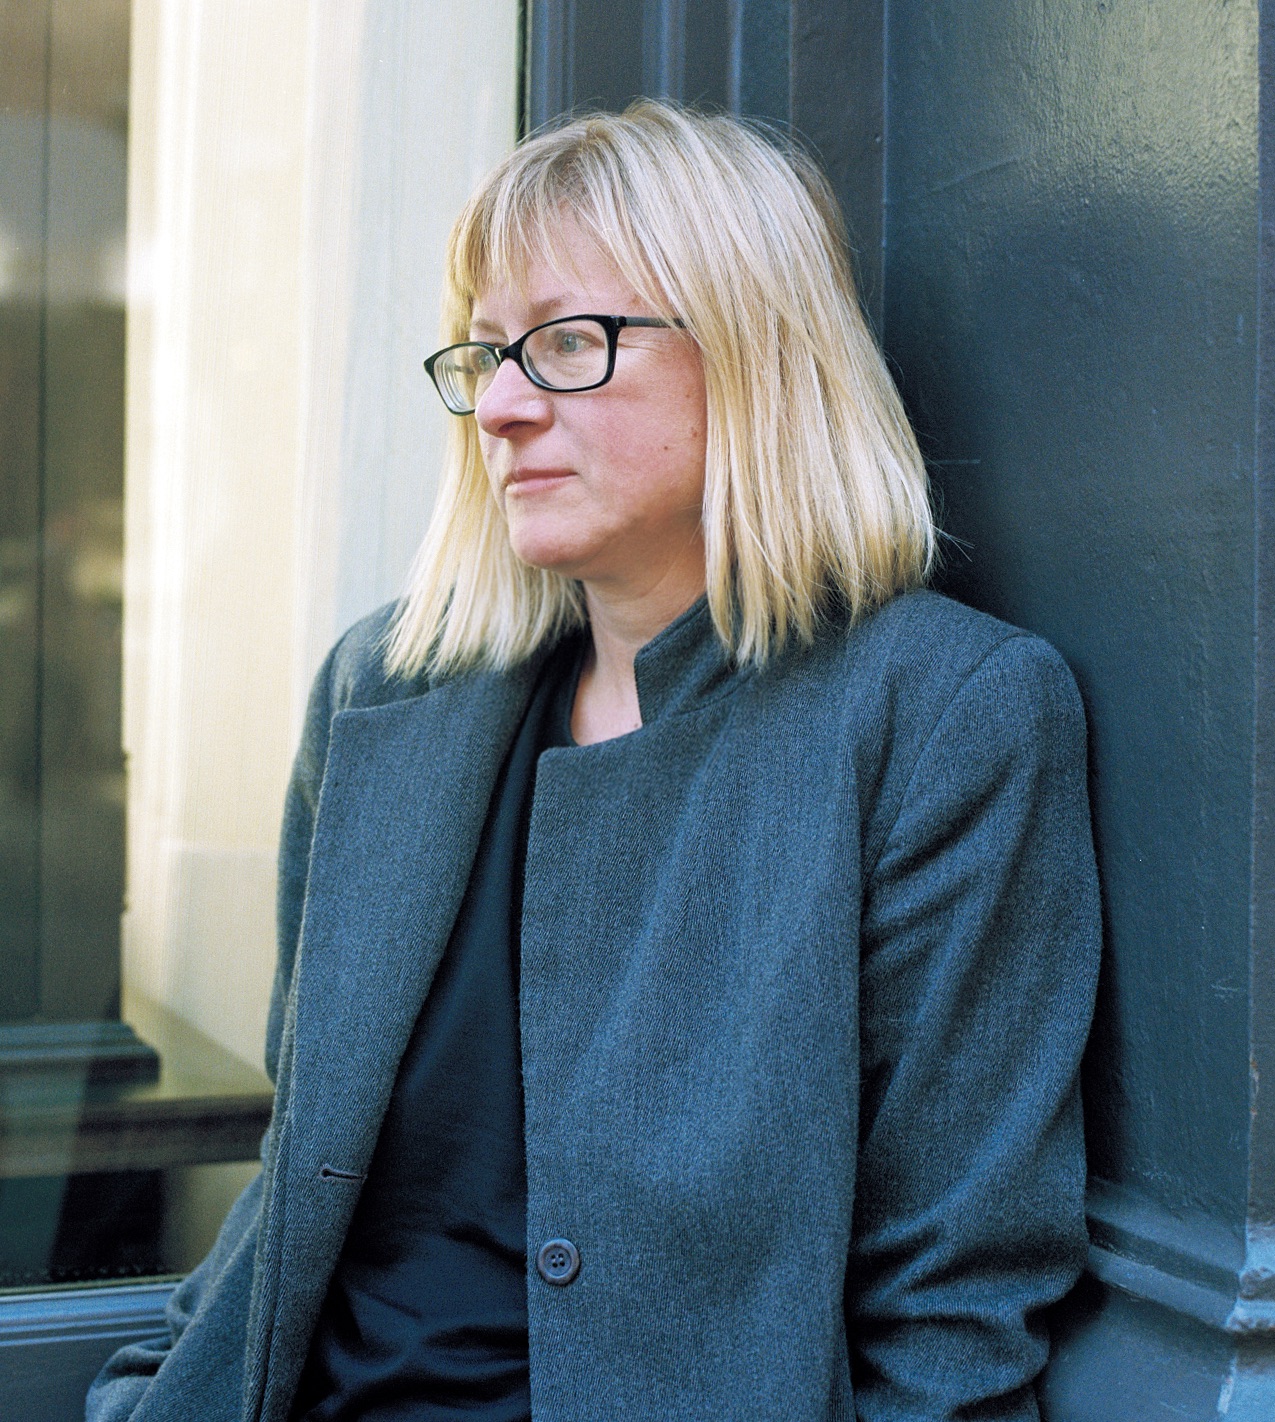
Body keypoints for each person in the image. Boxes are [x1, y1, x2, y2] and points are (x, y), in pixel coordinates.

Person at [88, 100, 1100, 1422]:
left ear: (751, 348)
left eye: (567, 343)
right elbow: (303, 1169)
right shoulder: (382, 691)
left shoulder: (943, 713)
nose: (503, 407)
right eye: (487, 353)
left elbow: (953, 1302)